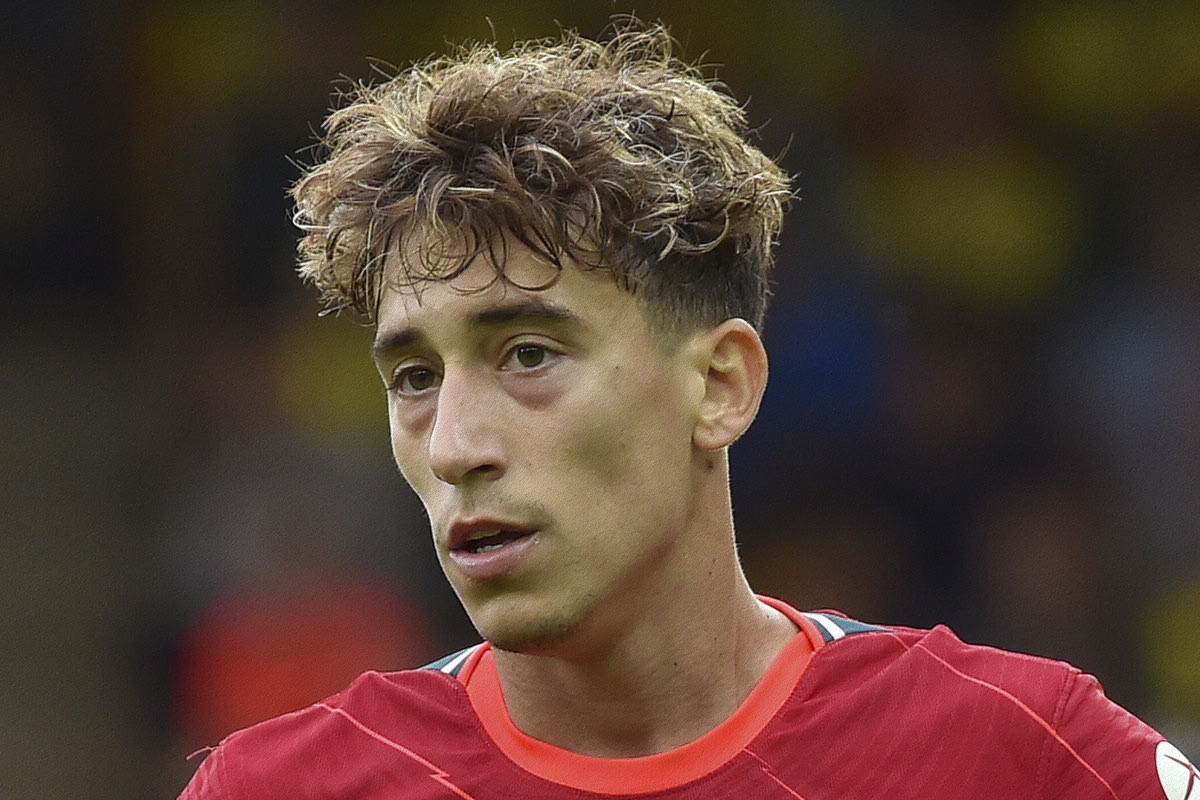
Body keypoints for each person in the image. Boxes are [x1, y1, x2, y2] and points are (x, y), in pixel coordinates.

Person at [179, 20, 1195, 800]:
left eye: (529, 354)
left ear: (720, 386)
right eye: (414, 377)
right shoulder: (279, 788)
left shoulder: (1020, 751)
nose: (453, 445)